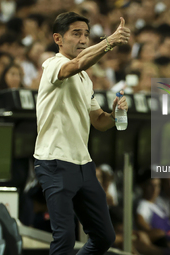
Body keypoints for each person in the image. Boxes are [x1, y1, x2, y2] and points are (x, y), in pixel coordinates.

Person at [33, 12, 130, 255]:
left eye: (86, 34)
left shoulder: (85, 78)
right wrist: (109, 42)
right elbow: (76, 64)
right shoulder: (53, 65)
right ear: (58, 38)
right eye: (76, 34)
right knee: (64, 238)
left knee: (104, 237)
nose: (83, 40)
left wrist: (116, 113)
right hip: (54, 161)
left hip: (83, 164)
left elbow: (99, 121)